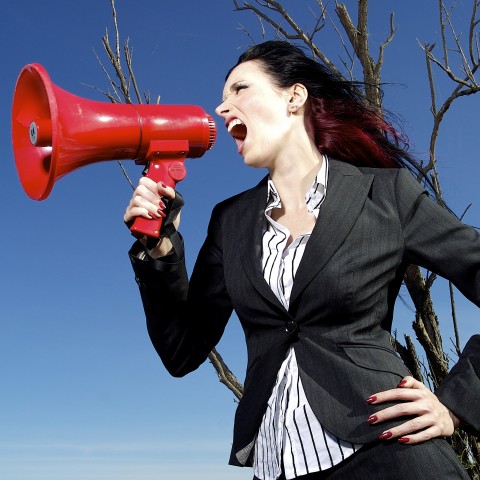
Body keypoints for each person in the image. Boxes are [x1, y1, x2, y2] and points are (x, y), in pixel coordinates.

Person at [124, 40, 480, 479]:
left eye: (239, 90)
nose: (221, 108)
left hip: (389, 454)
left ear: (294, 97)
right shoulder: (229, 222)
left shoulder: (385, 194)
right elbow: (182, 350)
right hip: (275, 465)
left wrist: (457, 404)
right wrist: (159, 250)